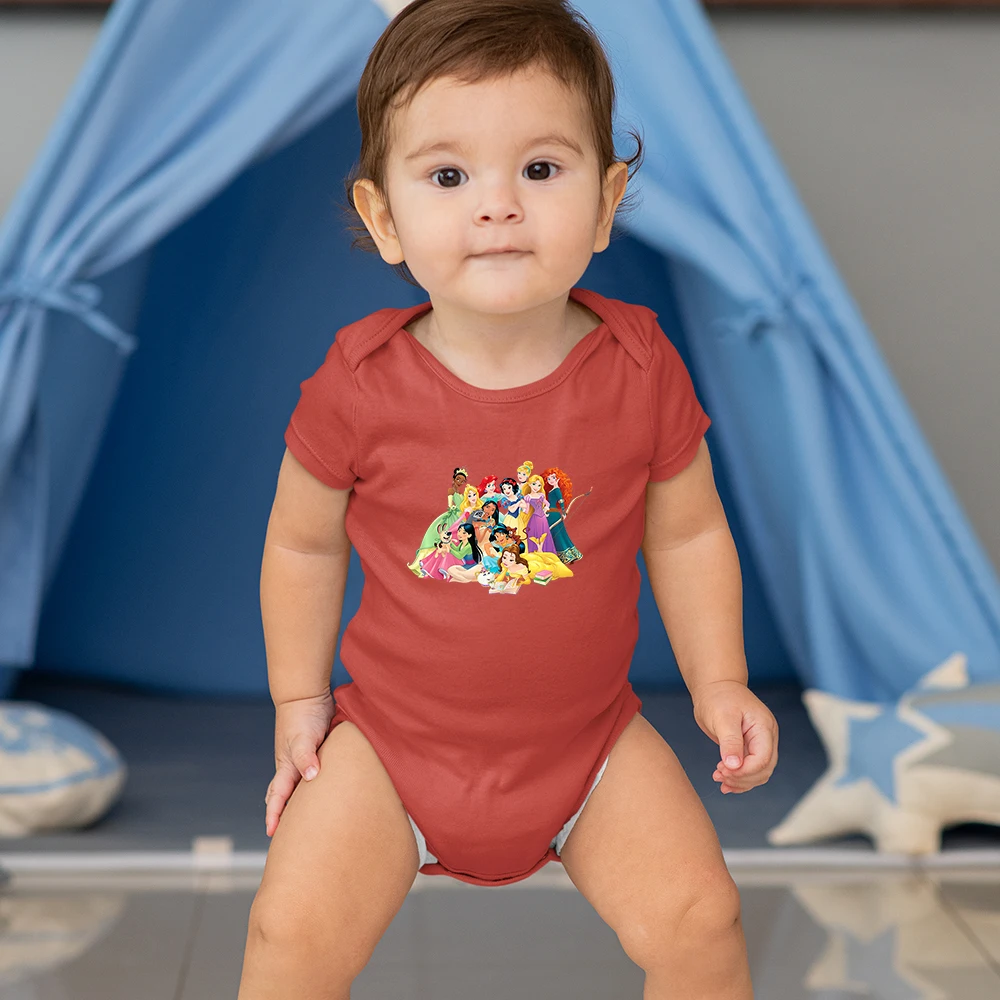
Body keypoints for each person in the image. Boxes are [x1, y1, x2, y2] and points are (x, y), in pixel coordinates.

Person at [238, 2, 778, 997]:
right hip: (390, 748)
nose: (498, 206)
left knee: (702, 919)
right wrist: (299, 701)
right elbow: (303, 545)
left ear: (607, 202)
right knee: (289, 931)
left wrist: (720, 681)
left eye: (539, 169)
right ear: (383, 219)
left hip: (588, 746)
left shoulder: (639, 365)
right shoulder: (357, 382)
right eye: (449, 177)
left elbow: (690, 533)